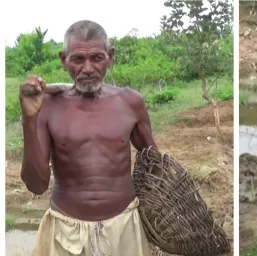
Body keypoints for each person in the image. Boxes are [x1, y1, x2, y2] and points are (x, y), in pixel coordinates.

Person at [20, 20, 156, 256]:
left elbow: (157, 166)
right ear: (64, 60)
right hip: (66, 231)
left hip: (124, 229)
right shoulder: (49, 107)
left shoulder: (130, 102)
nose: (88, 68)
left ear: (110, 57)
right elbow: (36, 185)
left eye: (97, 58)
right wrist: (29, 120)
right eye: (78, 60)